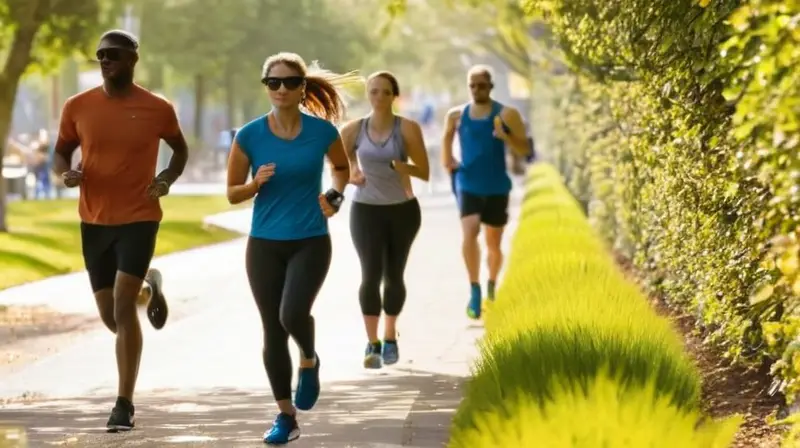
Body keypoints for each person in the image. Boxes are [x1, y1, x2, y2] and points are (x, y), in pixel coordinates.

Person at [52, 29, 185, 432]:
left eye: (113, 54)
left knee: (123, 307)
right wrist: (65, 174)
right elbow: (60, 150)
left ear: (132, 59)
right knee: (113, 317)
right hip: (94, 220)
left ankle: (123, 404)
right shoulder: (78, 106)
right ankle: (151, 287)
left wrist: (165, 179)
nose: (105, 61)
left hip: (140, 215)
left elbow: (179, 149)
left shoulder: (157, 108)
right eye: (100, 56)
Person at [226, 52, 357, 445]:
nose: (280, 89)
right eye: (272, 83)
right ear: (266, 87)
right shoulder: (248, 135)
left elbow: (341, 167)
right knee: (272, 329)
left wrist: (334, 195)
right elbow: (232, 192)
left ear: (302, 89)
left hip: (310, 240)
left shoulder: (322, 132)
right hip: (264, 243)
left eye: (288, 83)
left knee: (292, 313)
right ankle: (286, 416)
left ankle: (310, 358)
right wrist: (254, 185)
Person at [340, 71, 430, 370]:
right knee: (370, 275)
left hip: (402, 209)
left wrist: (400, 165)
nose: (379, 97)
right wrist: (352, 172)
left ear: (395, 96)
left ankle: (390, 336)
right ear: (368, 94)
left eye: (385, 92)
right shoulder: (354, 129)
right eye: (374, 91)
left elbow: (424, 171)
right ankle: (372, 343)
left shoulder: (407, 129)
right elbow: (338, 164)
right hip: (366, 210)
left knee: (394, 275)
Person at [441, 64, 531, 320]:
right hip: (468, 182)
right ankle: (475, 289)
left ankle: (491, 282)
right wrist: (449, 162)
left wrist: (506, 137)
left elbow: (524, 150)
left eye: (482, 85)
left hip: (496, 186)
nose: (477, 89)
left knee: (494, 243)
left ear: (491, 86)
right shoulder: (456, 115)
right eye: (472, 85)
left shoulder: (507, 114)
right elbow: (447, 137)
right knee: (469, 232)